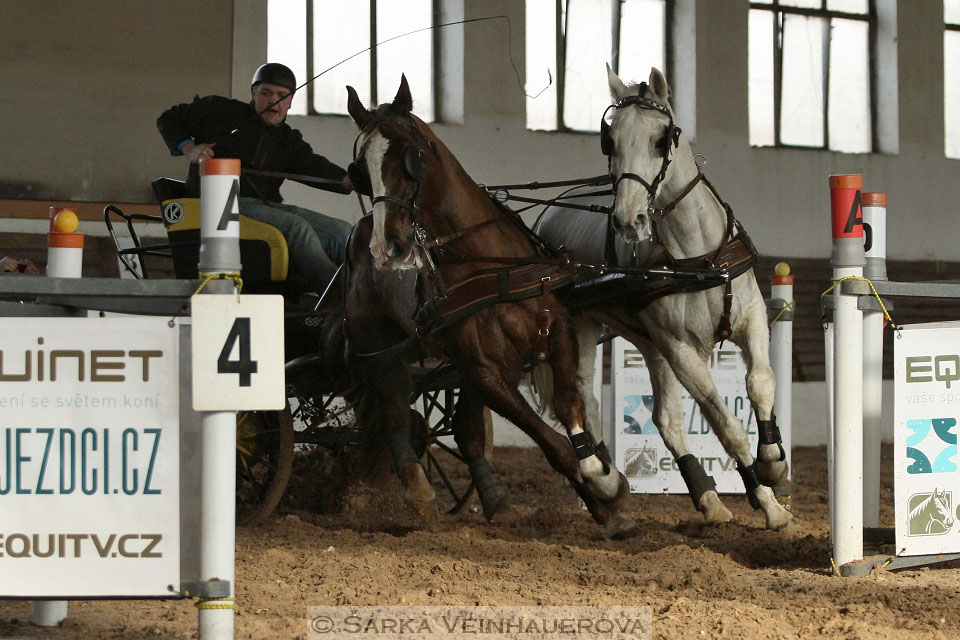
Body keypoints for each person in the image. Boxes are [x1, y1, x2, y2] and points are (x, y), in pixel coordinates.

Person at [157, 62, 353, 297]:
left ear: (291, 101)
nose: (274, 101)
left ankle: (368, 288)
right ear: (253, 92)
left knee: (343, 231)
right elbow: (169, 118)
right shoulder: (220, 111)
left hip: (267, 207)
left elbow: (313, 165)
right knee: (296, 227)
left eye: (283, 96)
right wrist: (190, 149)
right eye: (266, 93)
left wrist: (348, 180)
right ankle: (340, 296)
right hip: (221, 206)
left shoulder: (287, 140)